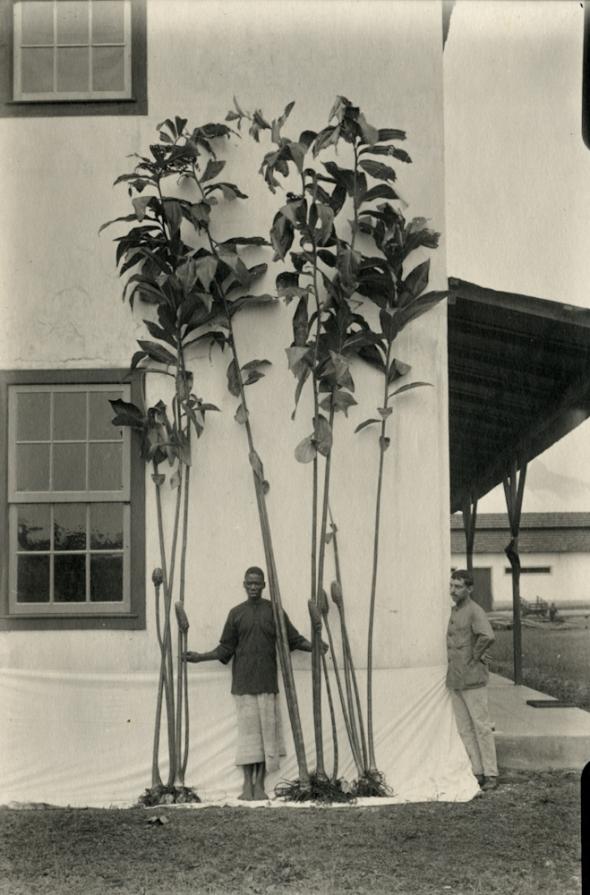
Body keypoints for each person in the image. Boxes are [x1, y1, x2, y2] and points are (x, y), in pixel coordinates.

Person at [183, 566, 313, 801]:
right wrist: (200, 657)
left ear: (264, 585)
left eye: (257, 583)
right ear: (244, 585)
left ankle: (260, 785)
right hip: (243, 683)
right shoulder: (236, 613)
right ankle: (246, 786)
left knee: (266, 735)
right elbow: (225, 648)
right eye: (249, 583)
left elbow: (294, 639)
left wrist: (315, 646)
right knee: (248, 736)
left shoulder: (274, 611)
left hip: (266, 681)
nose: (253, 587)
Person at [447, 569, 498, 792]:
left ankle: (491, 773)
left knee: (481, 727)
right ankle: (477, 771)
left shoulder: (474, 610)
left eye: (458, 587)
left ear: (469, 589)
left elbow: (487, 635)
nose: (453, 590)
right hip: (456, 678)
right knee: (465, 728)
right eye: (451, 586)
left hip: (473, 678)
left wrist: (475, 656)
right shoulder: (455, 611)